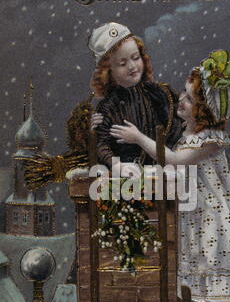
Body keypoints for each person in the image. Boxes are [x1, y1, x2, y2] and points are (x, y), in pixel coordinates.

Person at [110, 50, 230, 302]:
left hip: (211, 219)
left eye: (190, 98)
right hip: (194, 215)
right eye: (184, 94)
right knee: (198, 276)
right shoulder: (188, 134)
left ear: (206, 110)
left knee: (214, 278)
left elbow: (175, 161)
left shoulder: (210, 139)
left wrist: (139, 138)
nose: (182, 100)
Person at [24, 22, 183, 189]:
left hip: (164, 178)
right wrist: (116, 165)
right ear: (109, 72)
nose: (132, 66)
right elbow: (101, 144)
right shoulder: (108, 107)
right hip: (126, 183)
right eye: (122, 63)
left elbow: (176, 128)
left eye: (136, 58)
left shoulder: (160, 94)